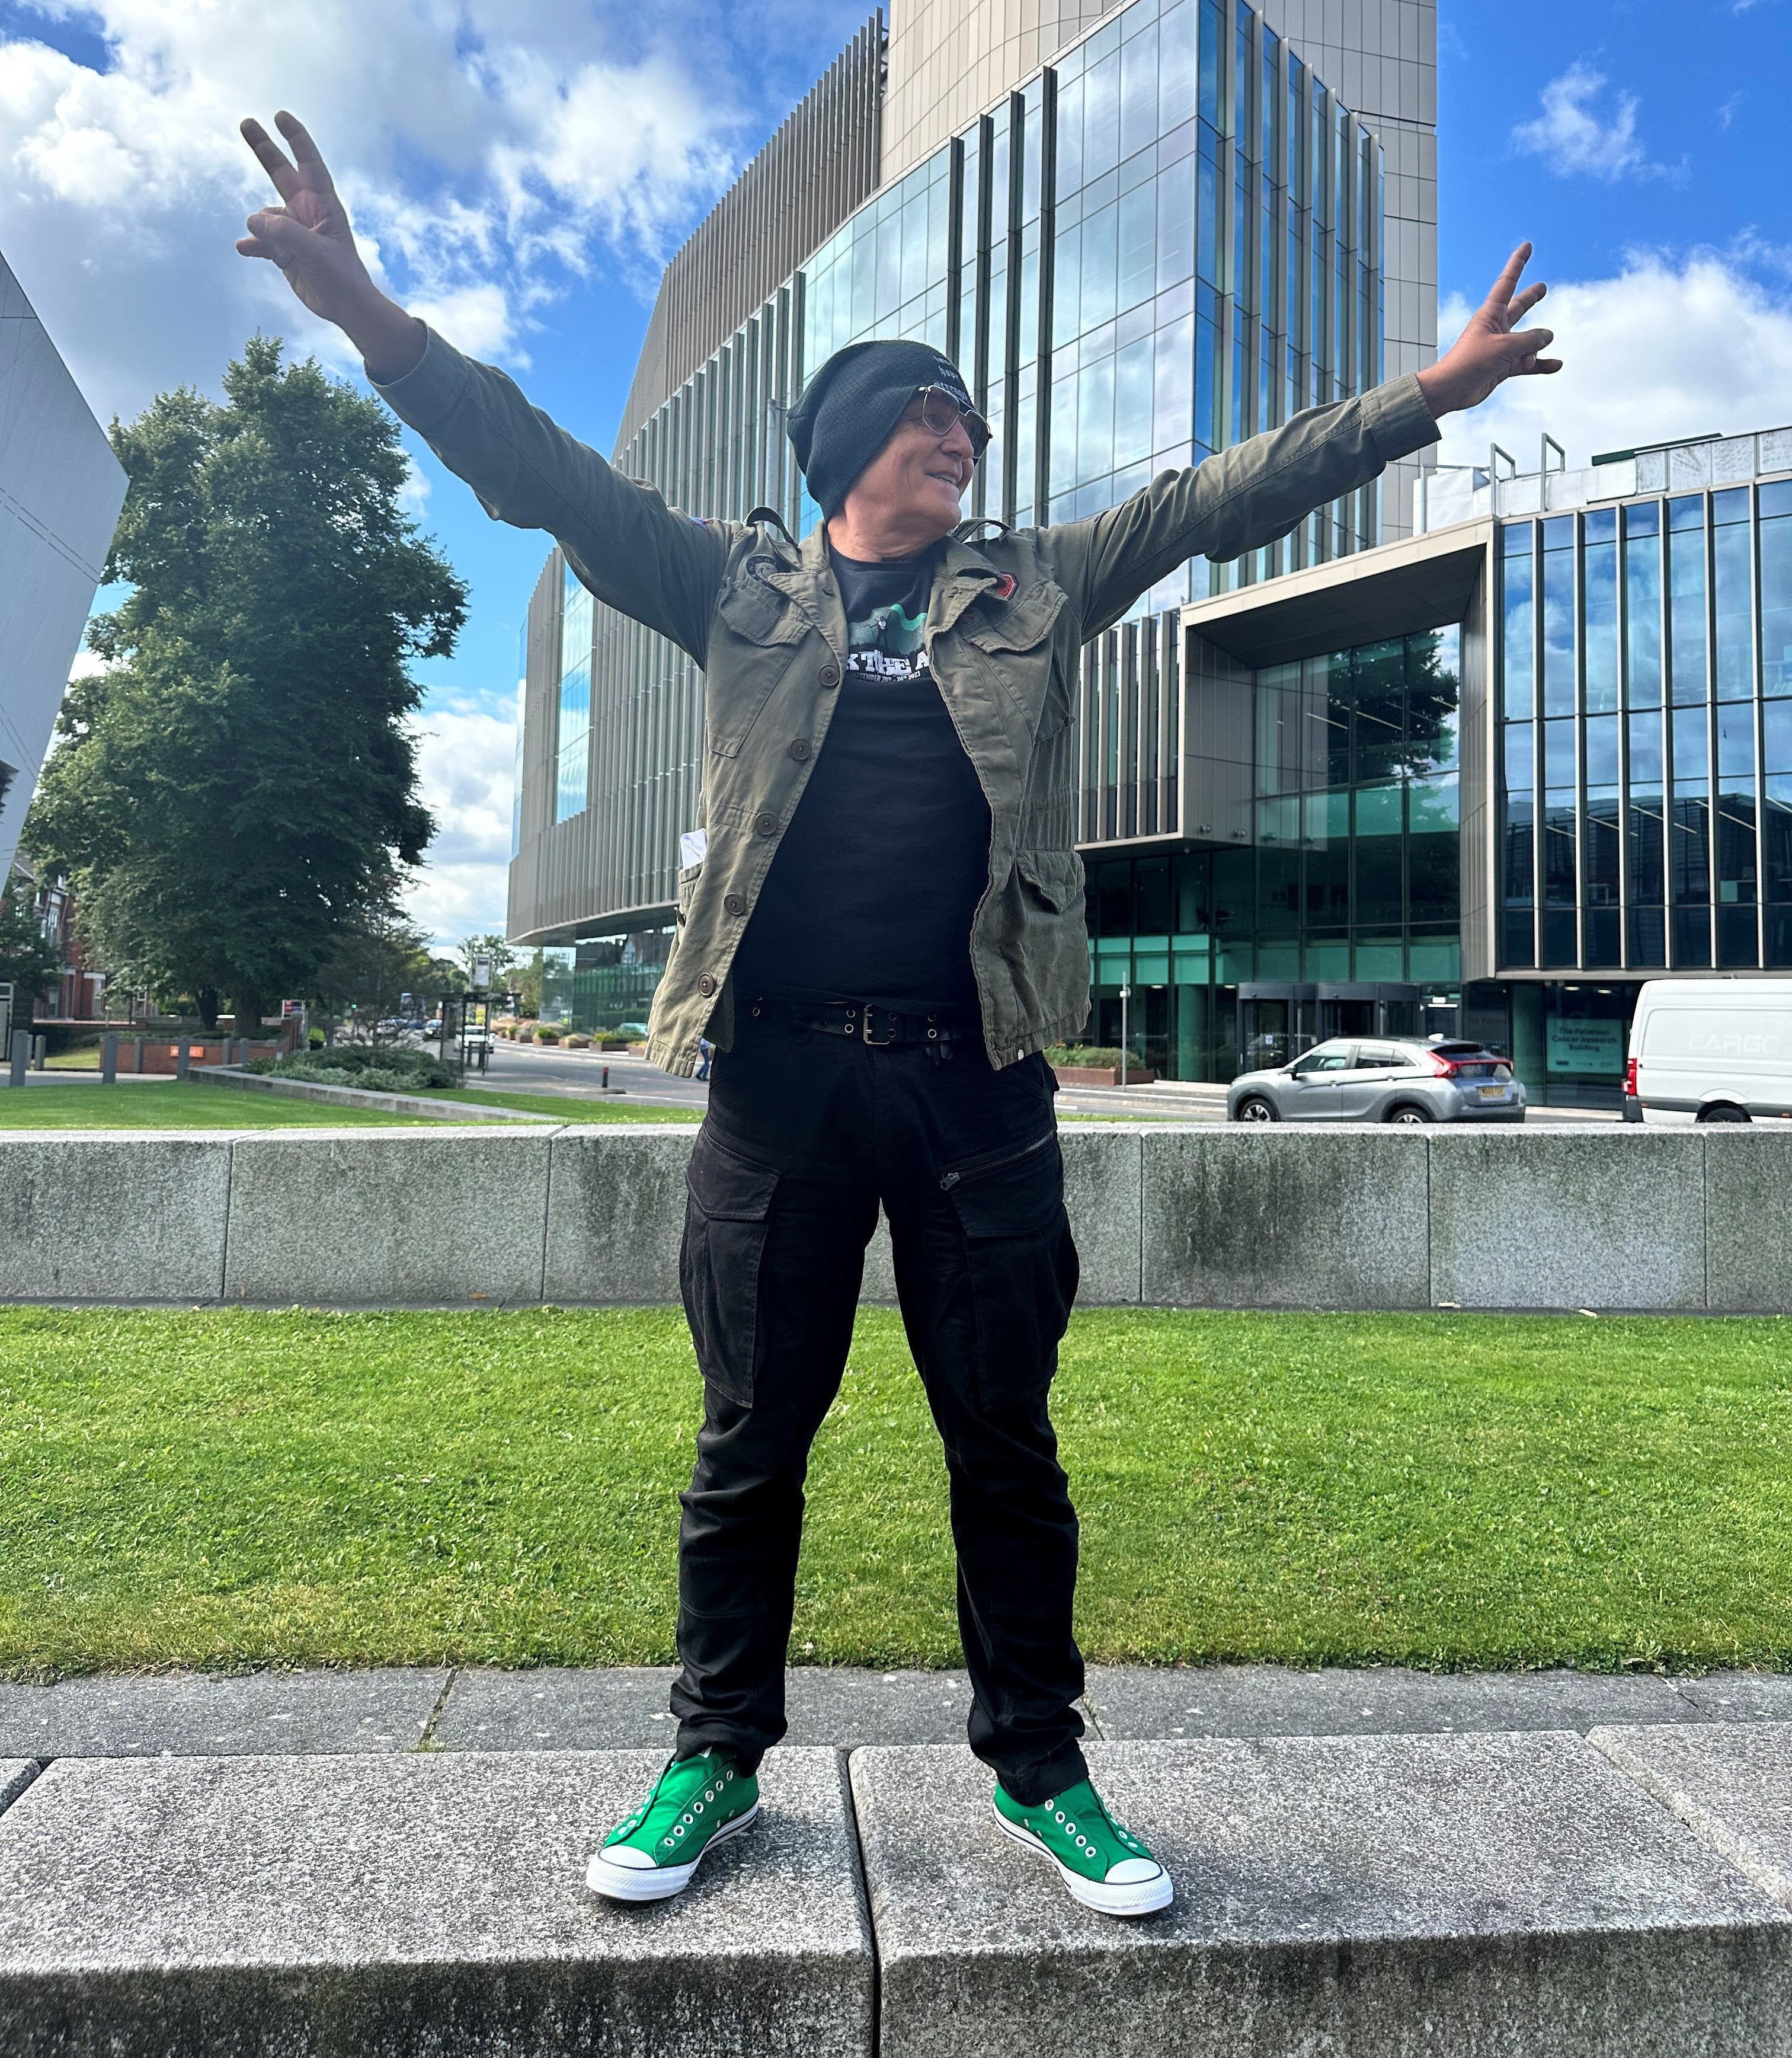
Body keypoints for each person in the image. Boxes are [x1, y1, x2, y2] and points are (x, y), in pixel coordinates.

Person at [238, 110, 1559, 1916]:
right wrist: (368, 312)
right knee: (748, 1441)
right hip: (777, 1085)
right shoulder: (733, 581)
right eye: (934, 419)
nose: (964, 441)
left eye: (970, 426)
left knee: (1005, 1440)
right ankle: (713, 1758)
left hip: (978, 1091)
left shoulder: (1037, 582)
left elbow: (1227, 494)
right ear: (858, 440)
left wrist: (1428, 396)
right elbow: (533, 468)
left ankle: (1045, 1771)